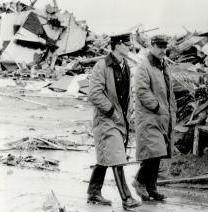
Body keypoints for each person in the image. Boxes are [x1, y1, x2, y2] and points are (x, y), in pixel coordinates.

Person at [86, 33, 141, 209]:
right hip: (106, 120)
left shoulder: (125, 65)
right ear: (117, 45)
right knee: (117, 156)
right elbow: (94, 94)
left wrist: (129, 110)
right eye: (127, 45)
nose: (130, 47)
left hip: (121, 119)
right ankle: (126, 198)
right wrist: (112, 111)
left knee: (106, 156)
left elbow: (127, 93)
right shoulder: (101, 66)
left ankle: (94, 193)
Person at [132, 35, 176, 201]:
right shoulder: (145, 66)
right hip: (149, 116)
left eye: (164, 47)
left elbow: (168, 91)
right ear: (151, 46)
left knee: (158, 153)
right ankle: (139, 181)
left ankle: (151, 187)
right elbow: (142, 91)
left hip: (162, 117)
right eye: (159, 46)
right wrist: (157, 107)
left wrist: (170, 112)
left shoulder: (164, 65)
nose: (162, 50)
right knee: (154, 151)